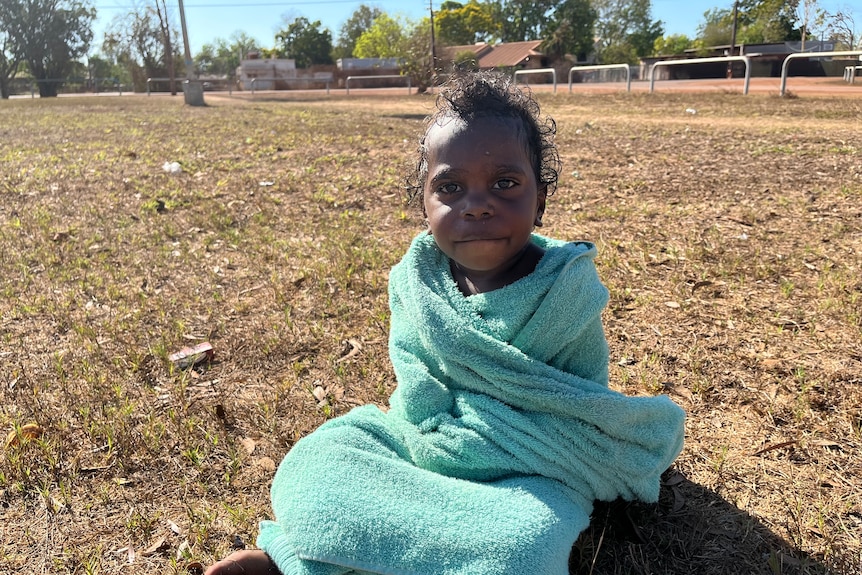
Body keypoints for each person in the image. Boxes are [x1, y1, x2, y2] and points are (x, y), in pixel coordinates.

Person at [206, 71, 685, 575]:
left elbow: (578, 411)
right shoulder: (416, 280)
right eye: (450, 187)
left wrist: (488, 441)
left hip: (529, 468)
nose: (477, 205)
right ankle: (297, 554)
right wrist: (436, 434)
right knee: (318, 464)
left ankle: (305, 563)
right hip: (423, 443)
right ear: (425, 205)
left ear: (540, 198)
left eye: (505, 183)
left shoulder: (565, 292)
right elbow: (415, 385)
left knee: (522, 549)